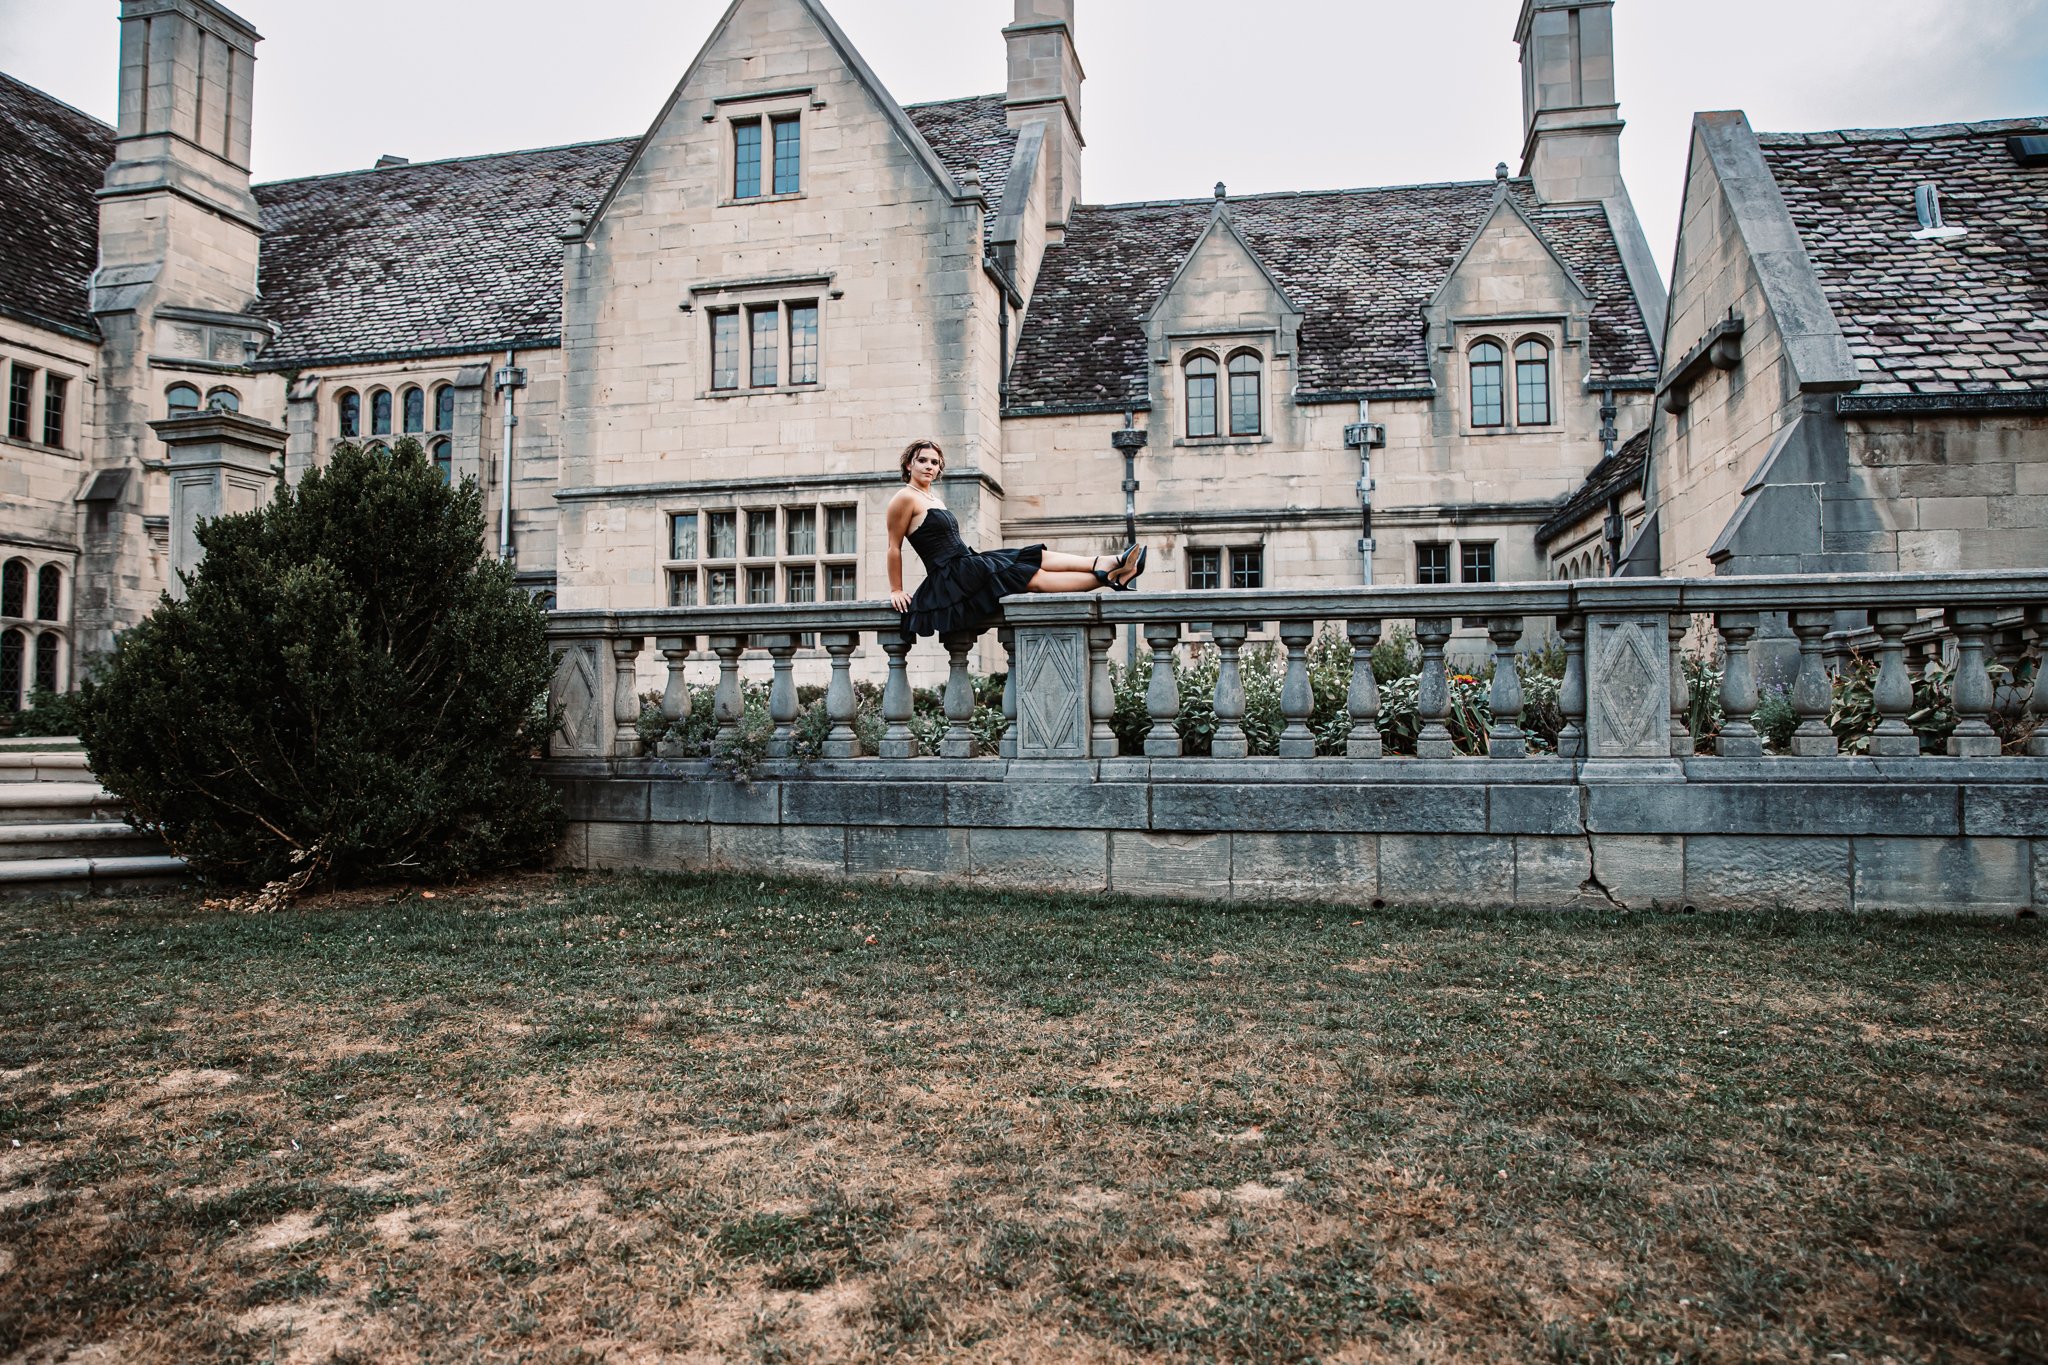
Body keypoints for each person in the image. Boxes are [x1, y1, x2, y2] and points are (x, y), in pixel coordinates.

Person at [887, 438, 1146, 638]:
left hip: (967, 562)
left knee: (1033, 556)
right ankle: (1109, 575)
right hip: (951, 573)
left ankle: (1109, 565)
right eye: (923, 461)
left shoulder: (934, 499)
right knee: (1033, 577)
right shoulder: (904, 497)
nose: (929, 466)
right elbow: (894, 547)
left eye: (935, 462)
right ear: (909, 464)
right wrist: (896, 589)